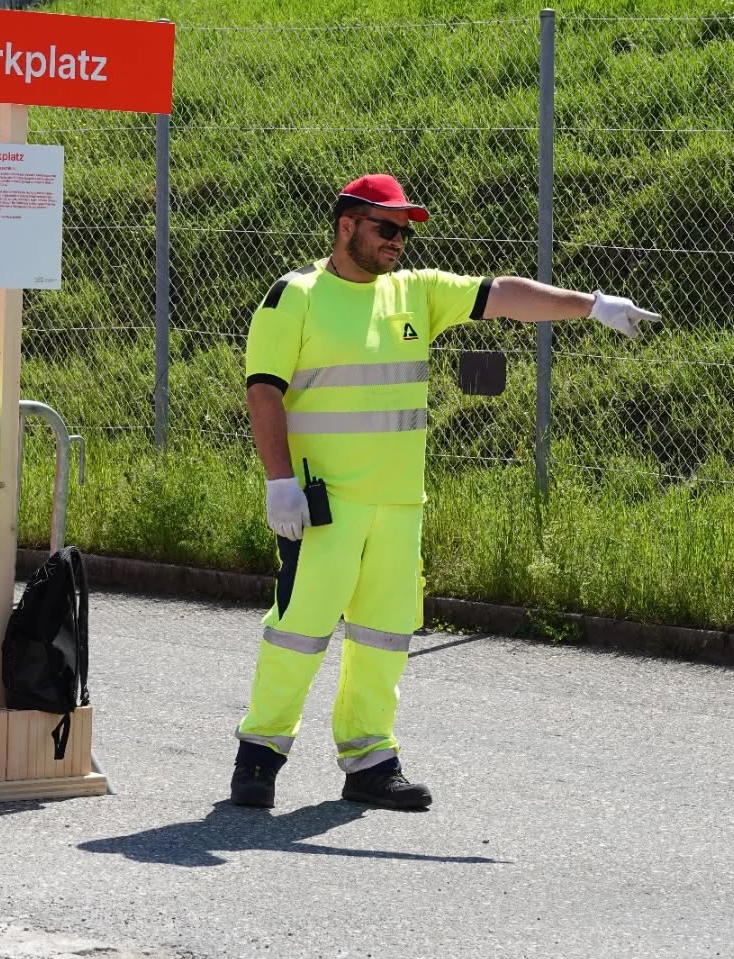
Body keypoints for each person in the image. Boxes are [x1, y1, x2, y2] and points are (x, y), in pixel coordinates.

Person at [231, 173, 661, 810]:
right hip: (323, 503)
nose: (398, 241)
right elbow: (263, 389)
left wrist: (590, 305)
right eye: (386, 228)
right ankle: (260, 756)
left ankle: (370, 761)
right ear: (347, 224)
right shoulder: (294, 296)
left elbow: (503, 294)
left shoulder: (415, 293)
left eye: (404, 231)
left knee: (385, 634)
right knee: (299, 629)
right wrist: (279, 482)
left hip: (399, 504)